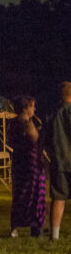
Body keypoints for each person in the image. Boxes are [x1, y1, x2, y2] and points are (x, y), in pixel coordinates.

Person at [8, 96, 46, 238]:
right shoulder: (27, 123)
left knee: (19, 193)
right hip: (31, 162)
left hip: (19, 161)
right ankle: (36, 226)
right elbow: (35, 139)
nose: (34, 109)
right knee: (35, 193)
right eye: (32, 106)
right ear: (26, 107)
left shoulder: (13, 124)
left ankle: (14, 226)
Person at [45, 81, 71, 241]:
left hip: (59, 162)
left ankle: (54, 235)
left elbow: (45, 140)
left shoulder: (53, 115)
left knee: (59, 198)